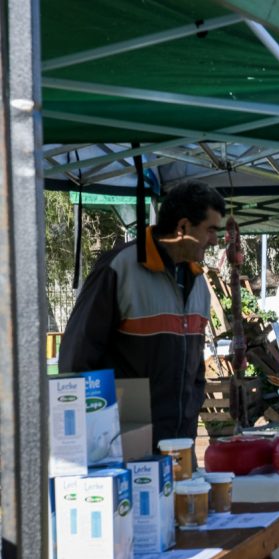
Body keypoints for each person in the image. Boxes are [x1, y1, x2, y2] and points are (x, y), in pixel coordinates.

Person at [59, 181, 225, 446]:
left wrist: (190, 416)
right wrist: (109, 437)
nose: (215, 240)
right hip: (124, 446)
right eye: (211, 230)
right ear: (183, 228)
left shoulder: (199, 284)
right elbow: (75, 361)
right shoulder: (119, 268)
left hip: (181, 444)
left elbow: (195, 370)